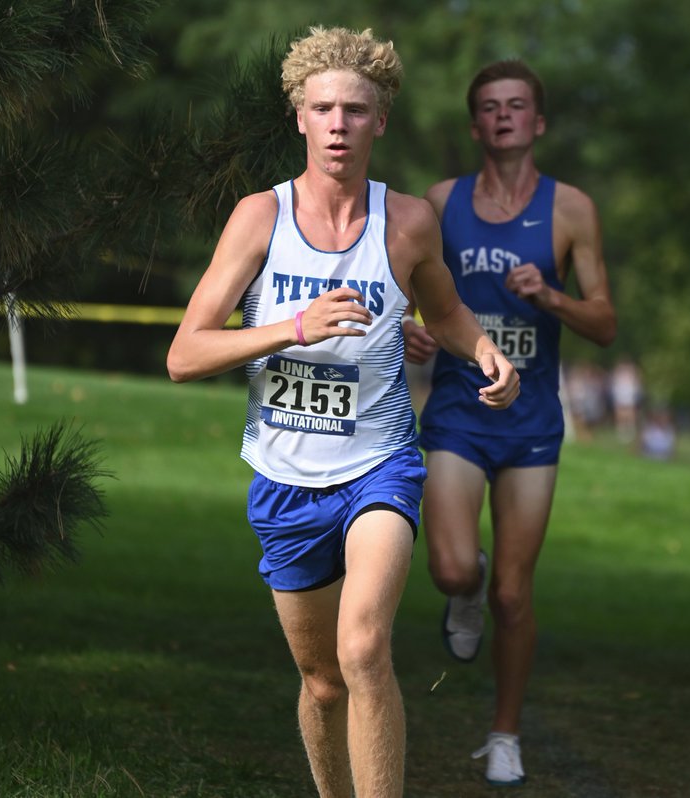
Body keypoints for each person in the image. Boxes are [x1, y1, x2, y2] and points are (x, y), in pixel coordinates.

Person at [166, 27, 519, 798]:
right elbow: (184, 354)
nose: (337, 124)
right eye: (322, 107)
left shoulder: (408, 224)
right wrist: (294, 327)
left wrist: (484, 352)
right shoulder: (259, 219)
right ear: (298, 116)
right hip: (284, 480)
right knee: (323, 681)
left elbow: (448, 313)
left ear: (380, 122)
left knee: (363, 649)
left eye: (355, 110)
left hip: (379, 467)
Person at [402, 59, 616, 787]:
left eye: (517, 105)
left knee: (515, 595)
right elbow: (409, 293)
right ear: (474, 125)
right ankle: (465, 590)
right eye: (490, 107)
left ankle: (504, 733)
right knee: (456, 567)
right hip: (459, 412)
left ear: (538, 122)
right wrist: (413, 328)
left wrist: (551, 299)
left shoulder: (571, 210)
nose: (503, 116)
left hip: (531, 424)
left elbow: (607, 322)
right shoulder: (439, 202)